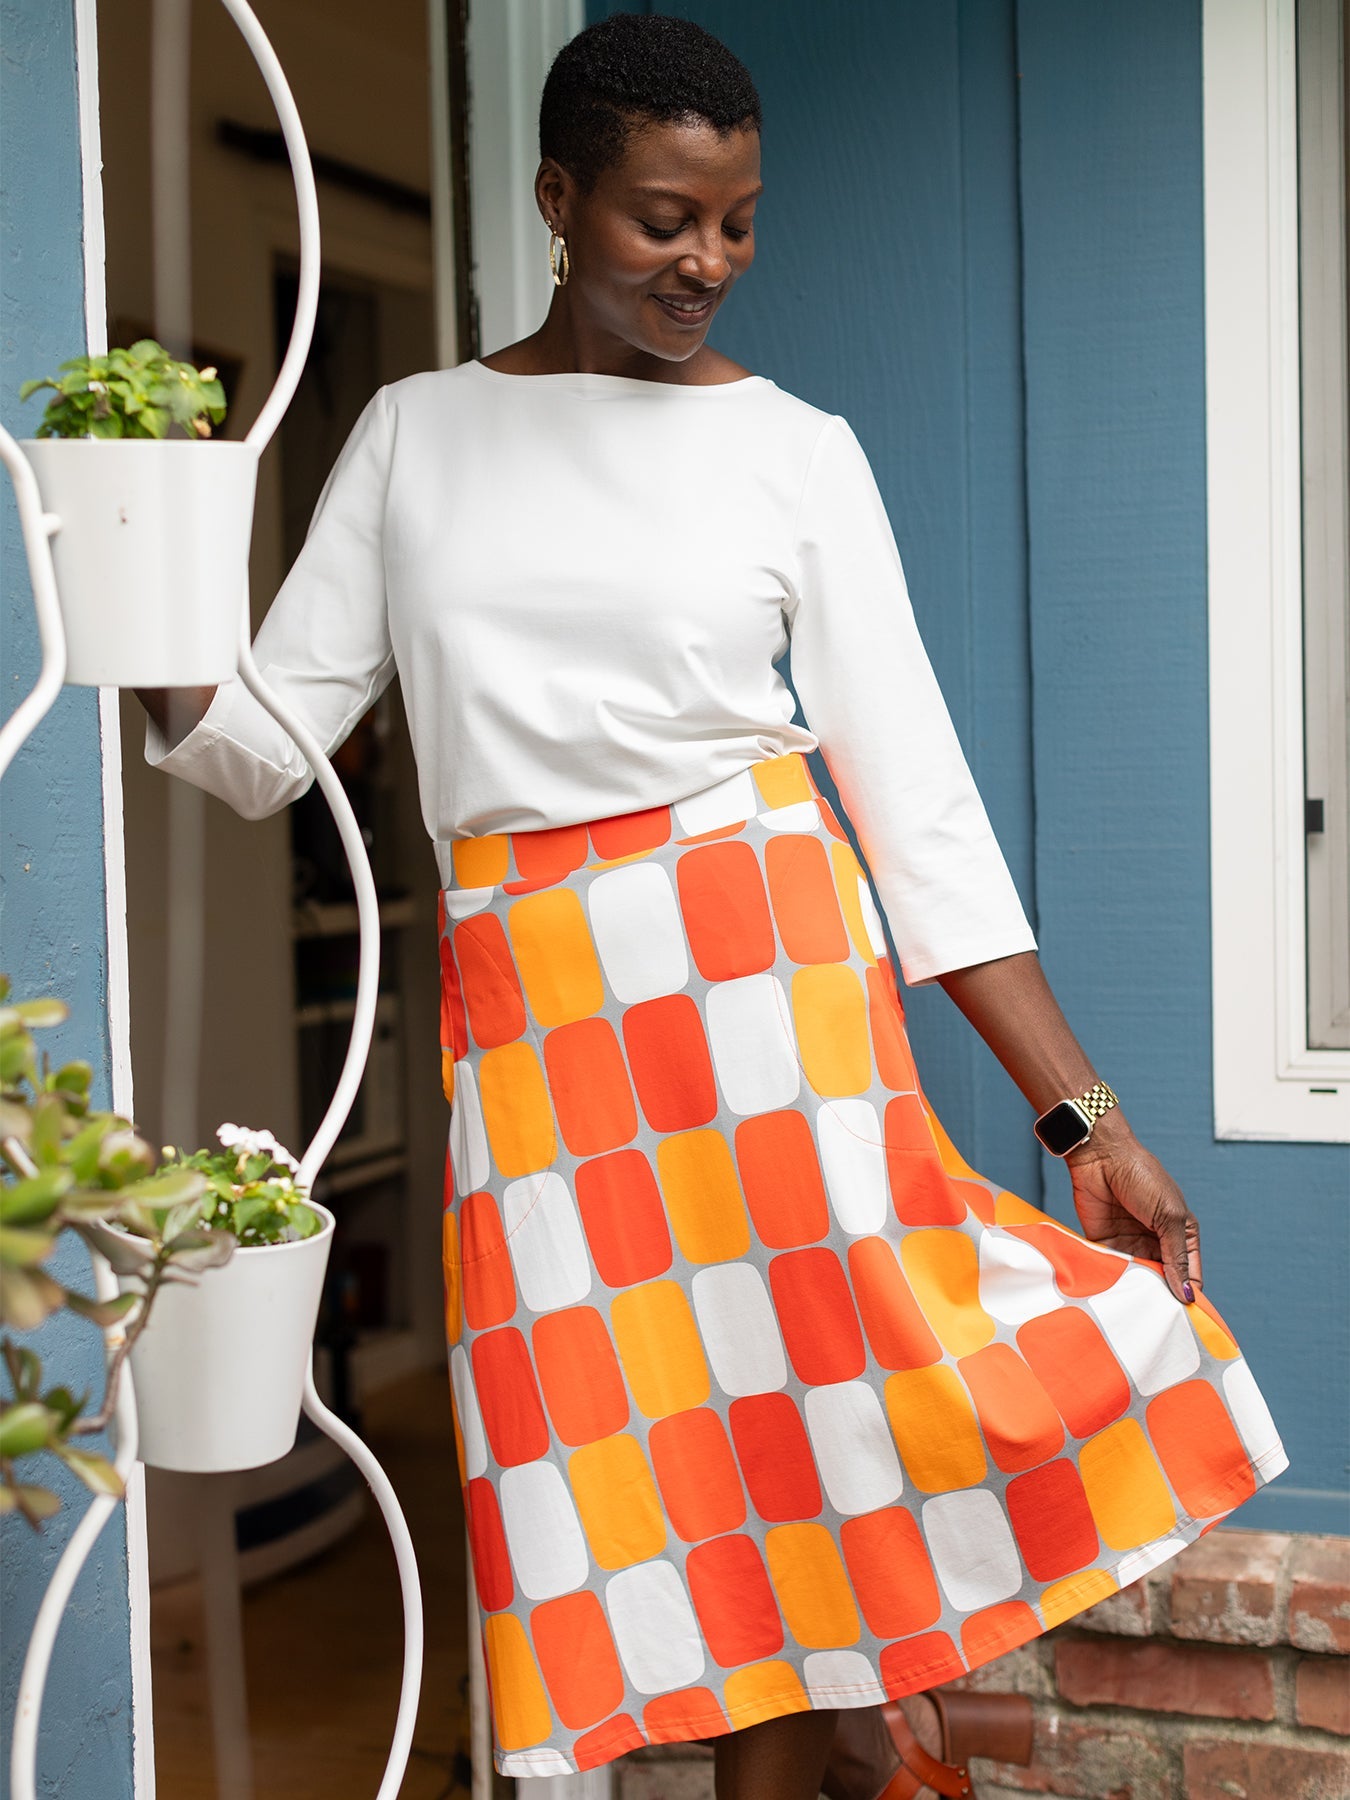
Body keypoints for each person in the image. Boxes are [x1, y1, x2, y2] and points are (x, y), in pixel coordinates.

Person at [137, 14, 1288, 1798]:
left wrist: (1087, 1119)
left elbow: (919, 813)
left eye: (737, 223)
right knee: (621, 1435)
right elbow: (260, 745)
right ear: (557, 198)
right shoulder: (415, 435)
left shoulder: (792, 451)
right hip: (537, 1007)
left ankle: (846, 1738)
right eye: (663, 219)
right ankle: (865, 1741)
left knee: (806, 1406)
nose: (707, 261)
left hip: (762, 974)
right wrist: (134, 567)